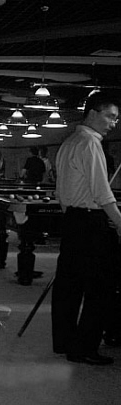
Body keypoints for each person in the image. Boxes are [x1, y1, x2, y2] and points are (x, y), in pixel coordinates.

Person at [51, 91, 121, 366]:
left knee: (68, 285)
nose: (113, 123)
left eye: (116, 119)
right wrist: (119, 223)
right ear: (93, 113)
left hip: (72, 219)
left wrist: (72, 216)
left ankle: (65, 342)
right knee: (100, 288)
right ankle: (84, 348)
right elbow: (102, 193)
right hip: (90, 222)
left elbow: (61, 191)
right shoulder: (90, 143)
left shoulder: (69, 142)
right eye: (110, 116)